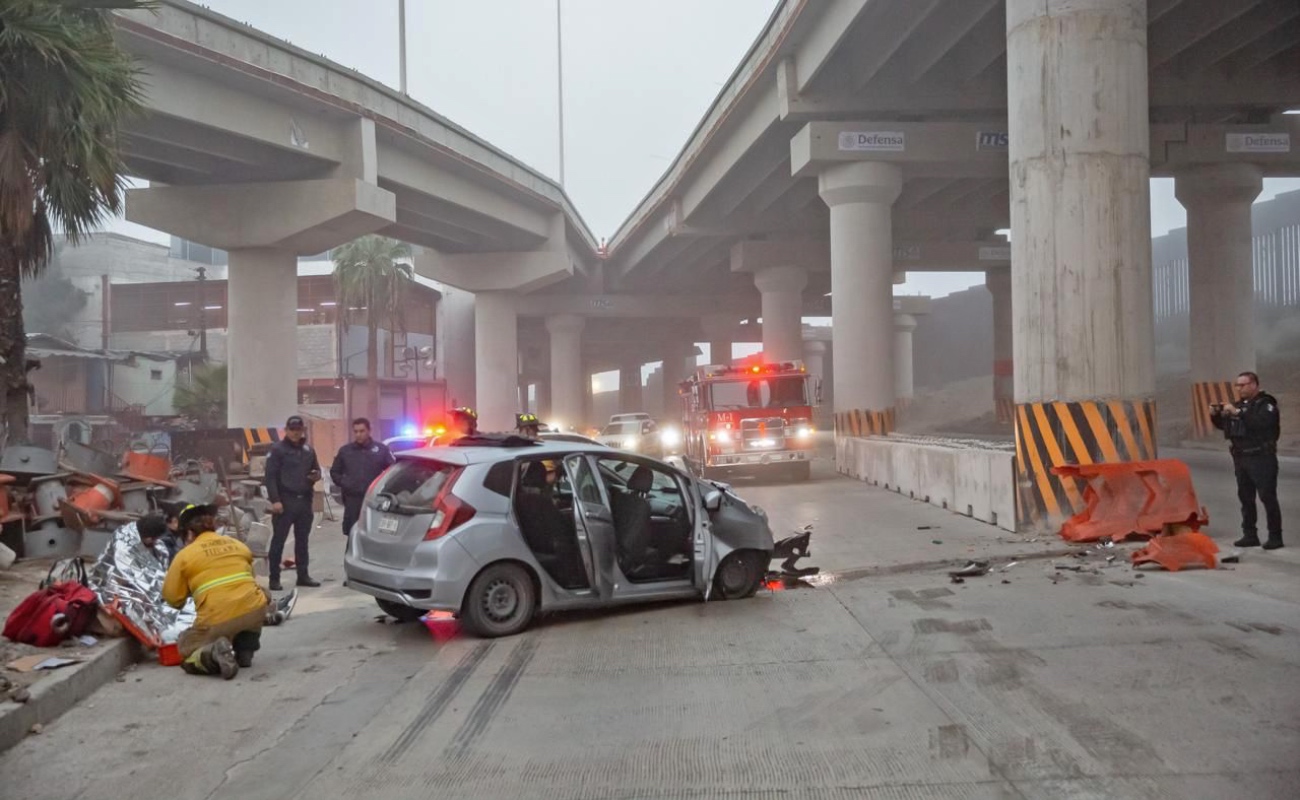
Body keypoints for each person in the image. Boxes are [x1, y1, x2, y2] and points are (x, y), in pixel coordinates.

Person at [162, 504, 270, 678]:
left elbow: (173, 598)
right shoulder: (238, 545)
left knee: (186, 649)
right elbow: (250, 580)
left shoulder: (185, 555)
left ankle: (212, 653)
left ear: (189, 533)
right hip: (255, 610)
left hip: (217, 618)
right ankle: (245, 649)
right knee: (257, 599)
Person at [1211, 371, 1283, 550]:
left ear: (1254, 385)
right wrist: (1216, 415)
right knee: (1245, 497)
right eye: (1237, 385)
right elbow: (1229, 426)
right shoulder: (1239, 405)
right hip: (1241, 457)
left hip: (1261, 457)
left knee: (1267, 496)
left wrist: (1238, 412)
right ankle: (1249, 534)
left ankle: (1275, 536)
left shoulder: (1265, 404)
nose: (1239, 388)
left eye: (1243, 385)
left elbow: (1262, 424)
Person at [264, 415, 322, 590]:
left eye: (298, 430)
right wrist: (275, 500)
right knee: (278, 541)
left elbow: (317, 470)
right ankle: (274, 578)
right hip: (285, 501)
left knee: (302, 541)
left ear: (302, 430)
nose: (295, 433)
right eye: (292, 430)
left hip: (304, 500)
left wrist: (316, 475)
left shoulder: (308, 450)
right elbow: (270, 477)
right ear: (286, 430)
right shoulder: (277, 450)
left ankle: (303, 575)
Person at [329, 417, 395, 538]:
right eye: (356, 431)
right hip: (352, 500)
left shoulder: (381, 450)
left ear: (369, 431)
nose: (358, 434)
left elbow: (392, 472)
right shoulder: (346, 451)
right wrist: (346, 483)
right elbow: (335, 472)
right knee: (353, 534)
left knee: (374, 534)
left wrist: (383, 488)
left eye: (362, 431)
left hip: (374, 499)